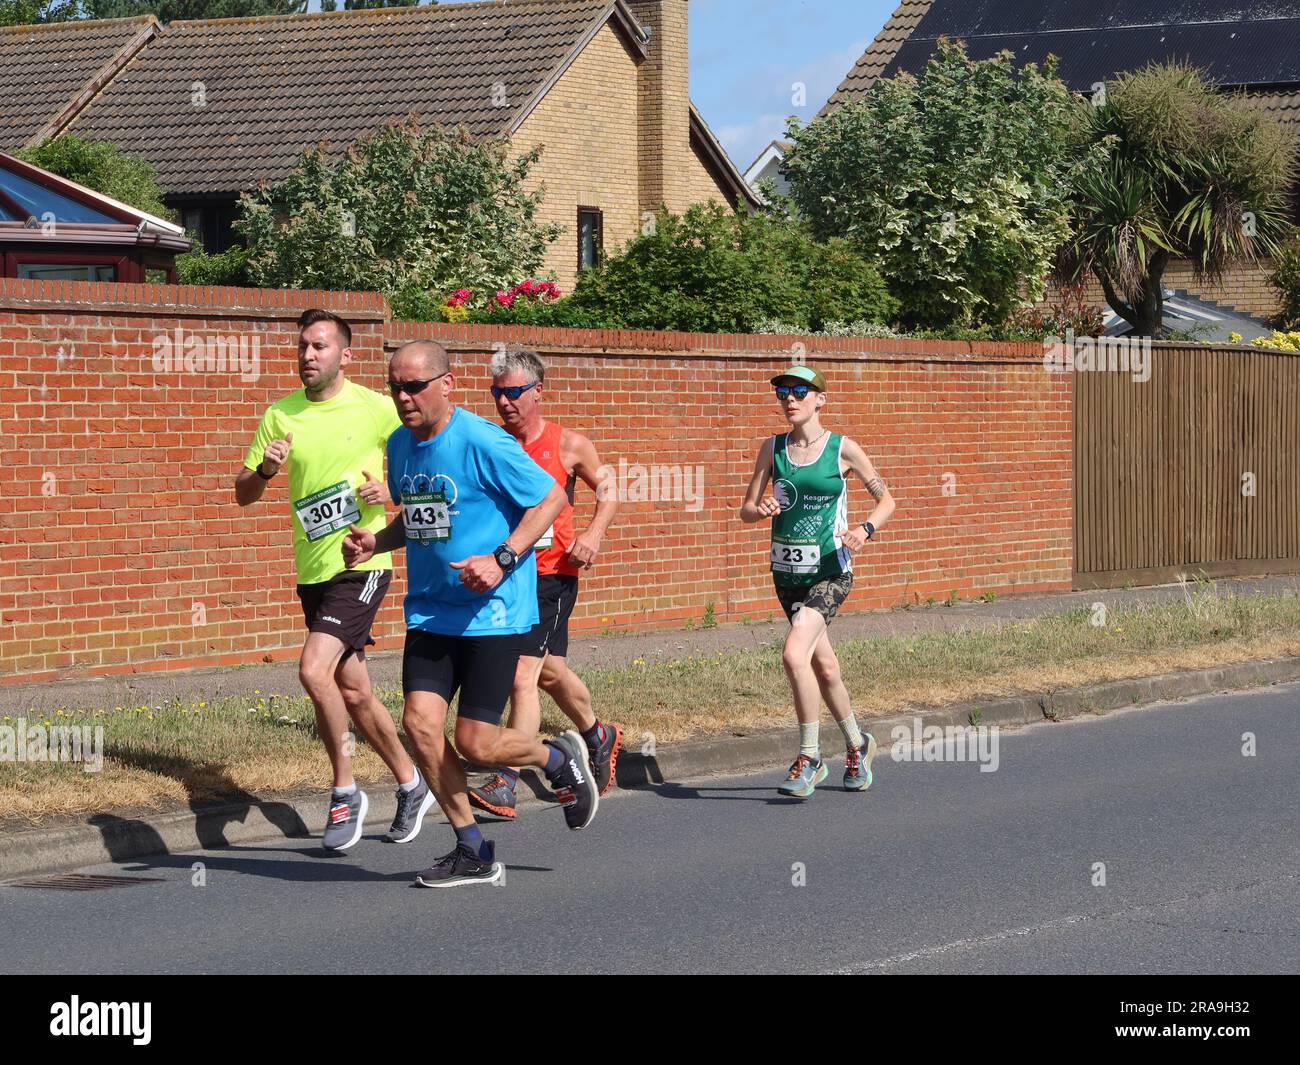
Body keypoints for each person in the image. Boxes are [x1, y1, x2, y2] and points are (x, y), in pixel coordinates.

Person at [343, 340, 598, 889]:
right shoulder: (400, 445)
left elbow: (550, 499)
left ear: (446, 385)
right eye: (395, 387)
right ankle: (472, 846)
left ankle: (555, 759)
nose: (404, 397)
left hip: (494, 613)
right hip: (433, 613)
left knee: (478, 744)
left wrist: (502, 559)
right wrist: (376, 541)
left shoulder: (483, 440)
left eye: (414, 386)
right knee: (420, 726)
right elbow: (418, 518)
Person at [235, 308, 431, 851]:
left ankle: (345, 790)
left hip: (361, 562)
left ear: (345, 355)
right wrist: (268, 469)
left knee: (312, 668)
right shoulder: (281, 415)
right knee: (355, 689)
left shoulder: (376, 408)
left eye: (319, 346)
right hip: (313, 569)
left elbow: (421, 463)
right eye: (302, 346)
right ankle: (412, 783)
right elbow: (242, 492)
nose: (307, 355)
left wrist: (388, 493)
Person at [467, 348, 622, 820]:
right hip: (507, 574)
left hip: (551, 574)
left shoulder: (567, 444)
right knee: (549, 673)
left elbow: (609, 487)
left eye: (514, 392)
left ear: (538, 391)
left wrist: (593, 534)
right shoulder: (492, 441)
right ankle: (599, 734)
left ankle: (507, 781)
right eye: (497, 392)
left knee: (522, 677)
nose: (504, 402)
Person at [738, 365, 896, 797]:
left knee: (794, 655)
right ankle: (858, 745)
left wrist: (864, 530)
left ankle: (809, 756)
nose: (789, 399)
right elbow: (745, 509)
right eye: (783, 393)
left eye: (799, 392)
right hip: (787, 574)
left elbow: (886, 499)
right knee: (823, 666)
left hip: (830, 571)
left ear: (820, 400)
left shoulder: (843, 449)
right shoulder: (772, 449)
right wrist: (762, 508)